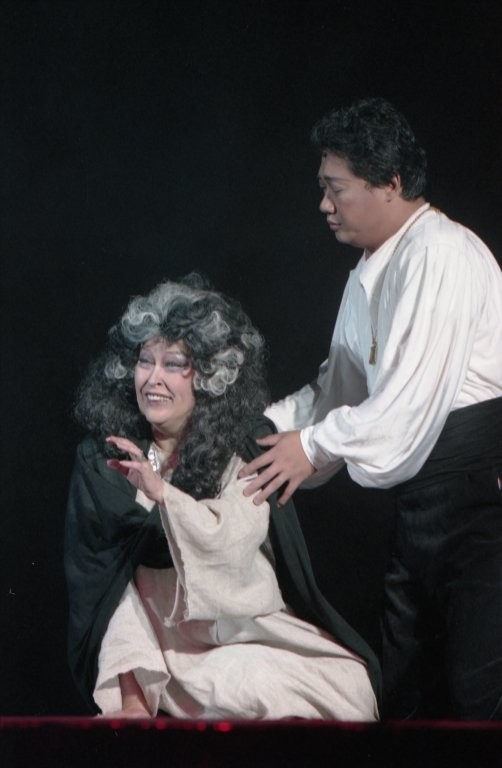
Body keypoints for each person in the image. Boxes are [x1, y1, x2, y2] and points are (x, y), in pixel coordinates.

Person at [239, 97, 502, 719]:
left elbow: (407, 404)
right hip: (420, 508)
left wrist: (312, 446)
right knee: (408, 690)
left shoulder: (440, 251)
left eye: (337, 189)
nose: (324, 205)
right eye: (323, 188)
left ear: (391, 183)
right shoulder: (371, 268)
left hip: (477, 503)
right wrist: (257, 431)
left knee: (478, 693)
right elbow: (339, 387)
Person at [64, 273, 379, 720]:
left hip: (240, 634)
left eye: (174, 364)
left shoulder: (240, 448)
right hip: (162, 653)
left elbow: (234, 536)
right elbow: (102, 583)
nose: (153, 379)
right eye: (144, 361)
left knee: (350, 688)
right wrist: (133, 696)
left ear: (210, 376)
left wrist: (163, 496)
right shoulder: (105, 458)